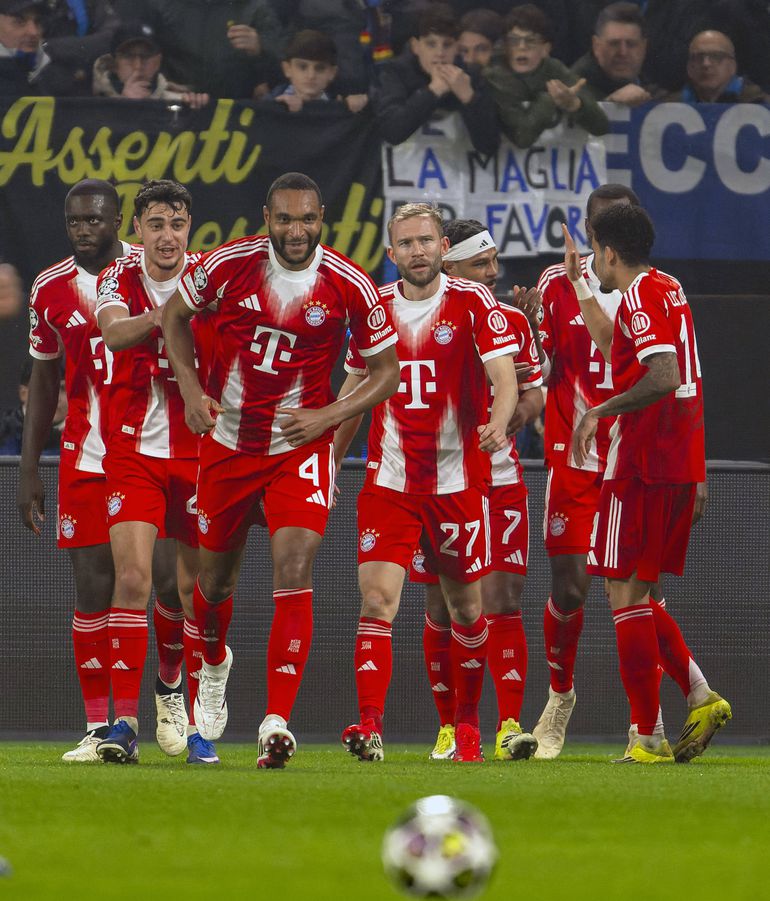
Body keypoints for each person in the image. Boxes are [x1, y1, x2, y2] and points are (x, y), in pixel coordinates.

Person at [161, 172, 400, 769]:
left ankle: (275, 721)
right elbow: (171, 317)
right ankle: (213, 667)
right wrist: (191, 390)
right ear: (265, 216)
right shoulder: (228, 264)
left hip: (300, 447)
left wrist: (330, 416)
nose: (298, 230)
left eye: (309, 219)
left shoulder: (350, 283)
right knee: (211, 586)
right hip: (227, 444)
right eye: (286, 218)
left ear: (323, 219)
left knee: (295, 567)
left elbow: (386, 371)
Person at [335, 203, 520, 764]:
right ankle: (370, 726)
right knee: (376, 602)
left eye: (426, 241)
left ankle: (467, 725)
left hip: (457, 483)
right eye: (406, 243)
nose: (416, 251)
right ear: (391, 254)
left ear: (443, 248)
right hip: (388, 481)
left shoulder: (474, 303)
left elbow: (503, 381)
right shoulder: (375, 309)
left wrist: (497, 418)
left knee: (466, 611)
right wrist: (327, 462)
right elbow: (351, 396)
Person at [17, 179, 180, 763]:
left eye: (94, 219)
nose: (83, 230)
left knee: (165, 583)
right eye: (74, 221)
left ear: (121, 221)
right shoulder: (51, 287)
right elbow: (43, 378)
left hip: (152, 449)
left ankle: (168, 686)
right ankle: (101, 727)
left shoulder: (151, 273)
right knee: (92, 589)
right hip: (86, 454)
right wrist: (31, 467)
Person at [567, 204, 731, 763]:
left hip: (641, 458)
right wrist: (581, 291)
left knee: (623, 592)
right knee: (632, 588)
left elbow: (663, 375)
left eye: (595, 251)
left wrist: (598, 411)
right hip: (676, 457)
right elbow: (634, 353)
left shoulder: (638, 296)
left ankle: (646, 736)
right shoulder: (667, 287)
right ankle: (699, 695)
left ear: (609, 251)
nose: (593, 260)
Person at [412, 218, 544, 762]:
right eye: (480, 265)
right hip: (436, 481)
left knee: (503, 599)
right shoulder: (414, 316)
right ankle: (450, 727)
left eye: (494, 262)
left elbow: (534, 396)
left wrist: (500, 423)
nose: (493, 274)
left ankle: (508, 723)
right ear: (450, 266)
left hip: (501, 480)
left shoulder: (510, 319)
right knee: (443, 606)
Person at [94, 179, 216, 765]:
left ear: (188, 227)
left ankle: (184, 708)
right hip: (132, 450)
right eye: (156, 225)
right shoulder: (117, 278)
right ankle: (122, 723)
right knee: (135, 580)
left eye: (177, 224)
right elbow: (115, 333)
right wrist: (173, 311)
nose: (167, 236)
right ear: (136, 229)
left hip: (198, 450)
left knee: (189, 591)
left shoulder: (210, 276)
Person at [371, 3, 500, 156]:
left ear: (457, 47)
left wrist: (470, 98)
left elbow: (489, 146)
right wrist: (432, 91)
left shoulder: (470, 75)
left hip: (459, 175)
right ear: (415, 46)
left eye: (447, 45)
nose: (440, 53)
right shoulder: (395, 72)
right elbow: (392, 132)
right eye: (431, 44)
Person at [484, 4, 608, 149]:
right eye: (513, 40)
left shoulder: (554, 69)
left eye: (530, 41)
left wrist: (574, 104)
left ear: (545, 49)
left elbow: (602, 127)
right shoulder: (496, 73)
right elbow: (522, 137)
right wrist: (548, 100)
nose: (521, 47)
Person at [135, 0, 284, 99]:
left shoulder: (255, 8)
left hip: (236, 114)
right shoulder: (163, 5)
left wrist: (261, 48)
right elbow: (141, 54)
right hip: (177, 107)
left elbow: (287, 71)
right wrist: (160, 86)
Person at [92, 19, 209, 107]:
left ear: (158, 61)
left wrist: (196, 112)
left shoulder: (177, 103)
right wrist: (125, 107)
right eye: (128, 56)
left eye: (146, 56)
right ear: (113, 63)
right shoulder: (88, 99)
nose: (138, 66)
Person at [571, 3, 654, 107]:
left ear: (643, 47)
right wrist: (609, 103)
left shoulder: (655, 84)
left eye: (631, 44)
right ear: (596, 46)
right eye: (614, 44)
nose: (623, 52)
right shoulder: (573, 87)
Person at [266, 28, 364, 113]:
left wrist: (364, 106)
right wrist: (274, 107)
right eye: (302, 67)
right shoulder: (267, 106)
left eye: (320, 68)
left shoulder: (343, 106)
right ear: (287, 69)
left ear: (332, 73)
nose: (311, 75)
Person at [662, 29, 768, 103]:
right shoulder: (668, 106)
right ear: (689, 67)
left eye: (716, 56)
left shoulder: (760, 103)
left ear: (732, 67)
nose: (706, 64)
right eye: (699, 57)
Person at [0, 358, 66, 455]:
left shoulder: (82, 435)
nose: (55, 398)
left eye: (62, 389)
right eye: (44, 388)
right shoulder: (4, 433)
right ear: (24, 394)